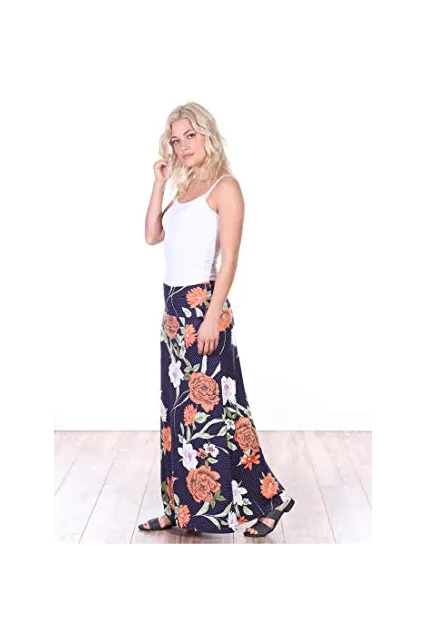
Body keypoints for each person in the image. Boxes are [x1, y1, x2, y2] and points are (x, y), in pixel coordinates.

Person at [139, 102, 295, 538]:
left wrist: (211, 317)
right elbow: (152, 235)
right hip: (173, 312)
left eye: (190, 136)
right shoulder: (184, 188)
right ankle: (177, 509)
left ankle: (268, 499)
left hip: (203, 307)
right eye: (176, 139)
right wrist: (159, 183)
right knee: (175, 417)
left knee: (213, 414)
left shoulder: (226, 188)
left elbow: (229, 261)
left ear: (207, 134)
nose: (183, 146)